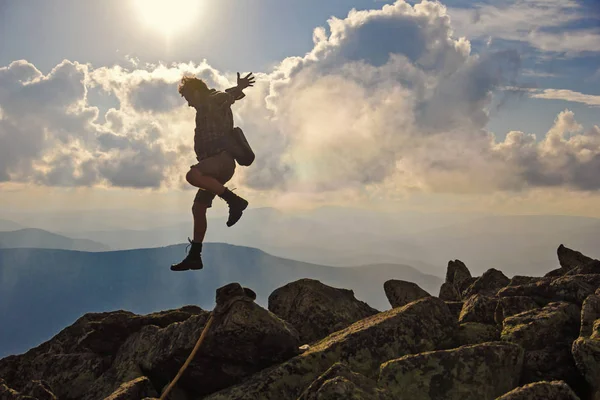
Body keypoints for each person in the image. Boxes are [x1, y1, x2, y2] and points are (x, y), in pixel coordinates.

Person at [171, 72, 255, 271]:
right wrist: (239, 89)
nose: (189, 104)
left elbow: (226, 97)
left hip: (221, 161)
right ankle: (195, 256)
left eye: (188, 98)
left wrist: (238, 88)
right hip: (214, 165)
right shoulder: (204, 107)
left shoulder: (213, 100)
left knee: (192, 175)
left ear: (196, 92)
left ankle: (235, 201)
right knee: (198, 209)